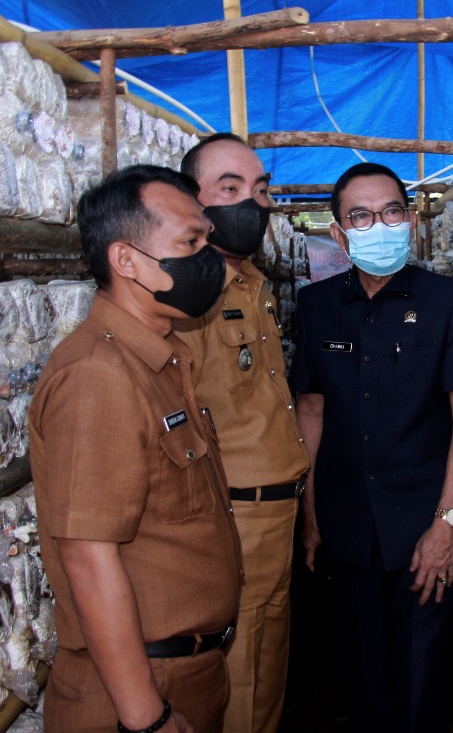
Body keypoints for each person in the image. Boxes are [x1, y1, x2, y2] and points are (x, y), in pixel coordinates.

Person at [29, 165, 243, 733]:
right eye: (191, 242)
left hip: (184, 674)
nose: (209, 256)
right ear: (126, 261)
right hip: (137, 691)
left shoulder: (161, 359)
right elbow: (87, 556)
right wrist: (146, 717)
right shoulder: (100, 376)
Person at [288, 162, 453, 732]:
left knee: (423, 672)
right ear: (338, 232)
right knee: (363, 667)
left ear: (410, 220)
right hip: (348, 522)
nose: (378, 224)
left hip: (426, 522)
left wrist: (447, 524)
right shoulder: (317, 306)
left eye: (391, 212)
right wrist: (310, 511)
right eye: (360, 215)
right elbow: (312, 410)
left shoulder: (451, 302)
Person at [174, 133, 310, 733]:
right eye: (229, 189)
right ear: (192, 201)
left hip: (277, 509)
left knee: (267, 658)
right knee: (238, 672)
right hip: (233, 514)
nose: (249, 204)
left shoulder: (251, 282)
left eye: (259, 190)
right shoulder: (187, 294)